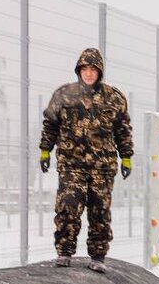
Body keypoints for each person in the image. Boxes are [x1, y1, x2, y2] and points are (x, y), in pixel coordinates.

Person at [39, 47, 133, 272]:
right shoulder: (64, 95)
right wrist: (45, 150)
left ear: (100, 71)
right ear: (79, 70)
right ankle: (64, 251)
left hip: (102, 167)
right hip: (72, 164)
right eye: (85, 69)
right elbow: (50, 124)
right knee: (68, 205)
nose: (89, 73)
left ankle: (98, 256)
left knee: (100, 210)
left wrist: (126, 157)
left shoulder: (114, 98)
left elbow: (123, 130)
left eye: (93, 69)